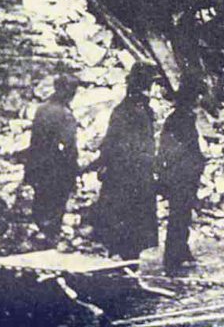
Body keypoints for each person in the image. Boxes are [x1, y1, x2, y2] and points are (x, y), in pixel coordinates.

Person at [84, 62, 159, 260]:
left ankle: (124, 265)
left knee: (123, 232)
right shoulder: (139, 112)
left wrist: (99, 164)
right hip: (133, 180)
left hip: (124, 179)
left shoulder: (125, 111)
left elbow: (110, 145)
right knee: (131, 233)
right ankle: (126, 267)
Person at [156, 77, 207, 274]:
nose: (198, 101)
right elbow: (176, 149)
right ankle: (172, 256)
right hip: (181, 175)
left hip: (185, 174)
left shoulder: (181, 117)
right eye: (197, 96)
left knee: (183, 213)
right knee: (179, 214)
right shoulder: (180, 119)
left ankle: (181, 249)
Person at [23, 74, 81, 241]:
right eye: (72, 91)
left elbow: (34, 142)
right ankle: (49, 237)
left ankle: (41, 232)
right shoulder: (65, 114)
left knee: (41, 200)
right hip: (57, 169)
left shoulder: (42, 109)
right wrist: (74, 170)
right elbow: (69, 146)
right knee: (55, 204)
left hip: (38, 166)